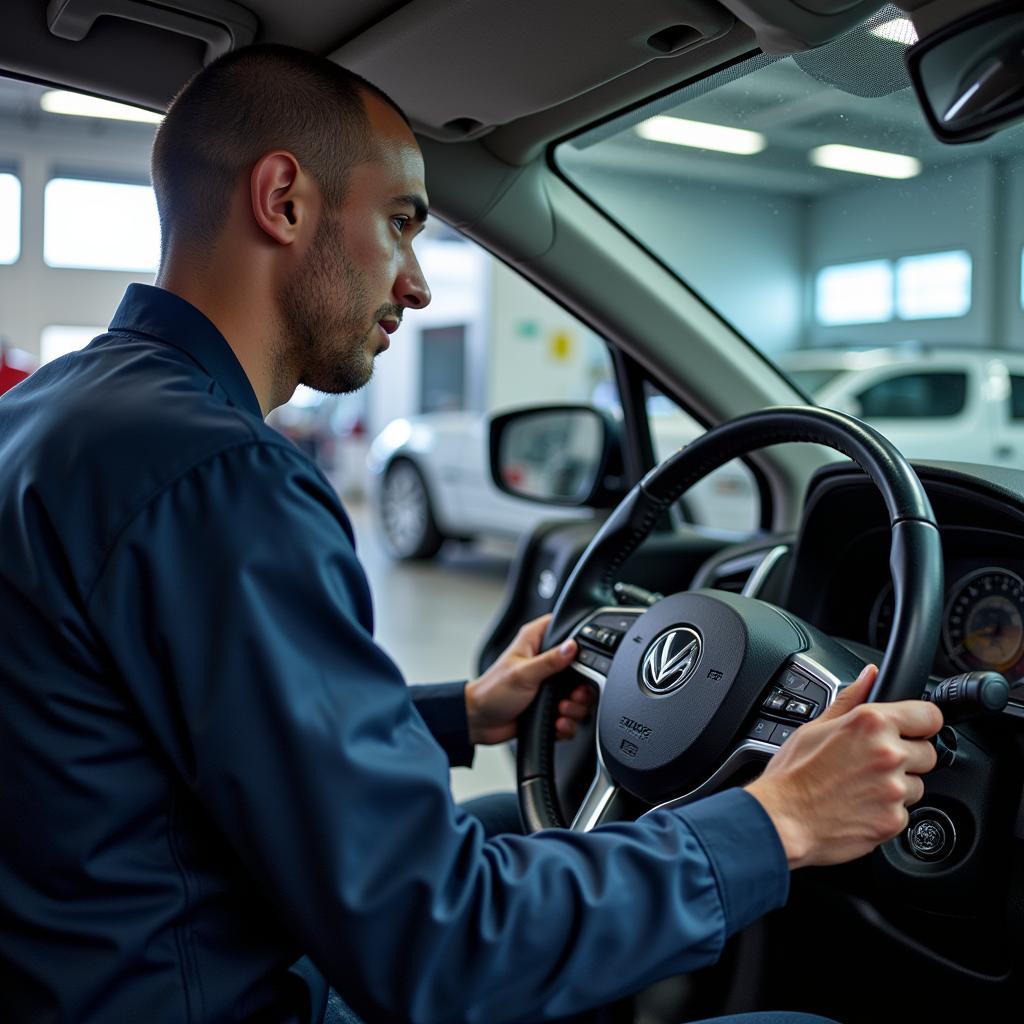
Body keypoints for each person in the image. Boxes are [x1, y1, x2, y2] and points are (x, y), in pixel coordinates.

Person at [0, 44, 943, 1024]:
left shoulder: (57, 417)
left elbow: (176, 719)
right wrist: (776, 818)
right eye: (400, 225)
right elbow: (438, 945)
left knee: (505, 819)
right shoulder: (220, 477)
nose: (415, 283)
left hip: (99, 955)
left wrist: (463, 712)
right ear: (283, 200)